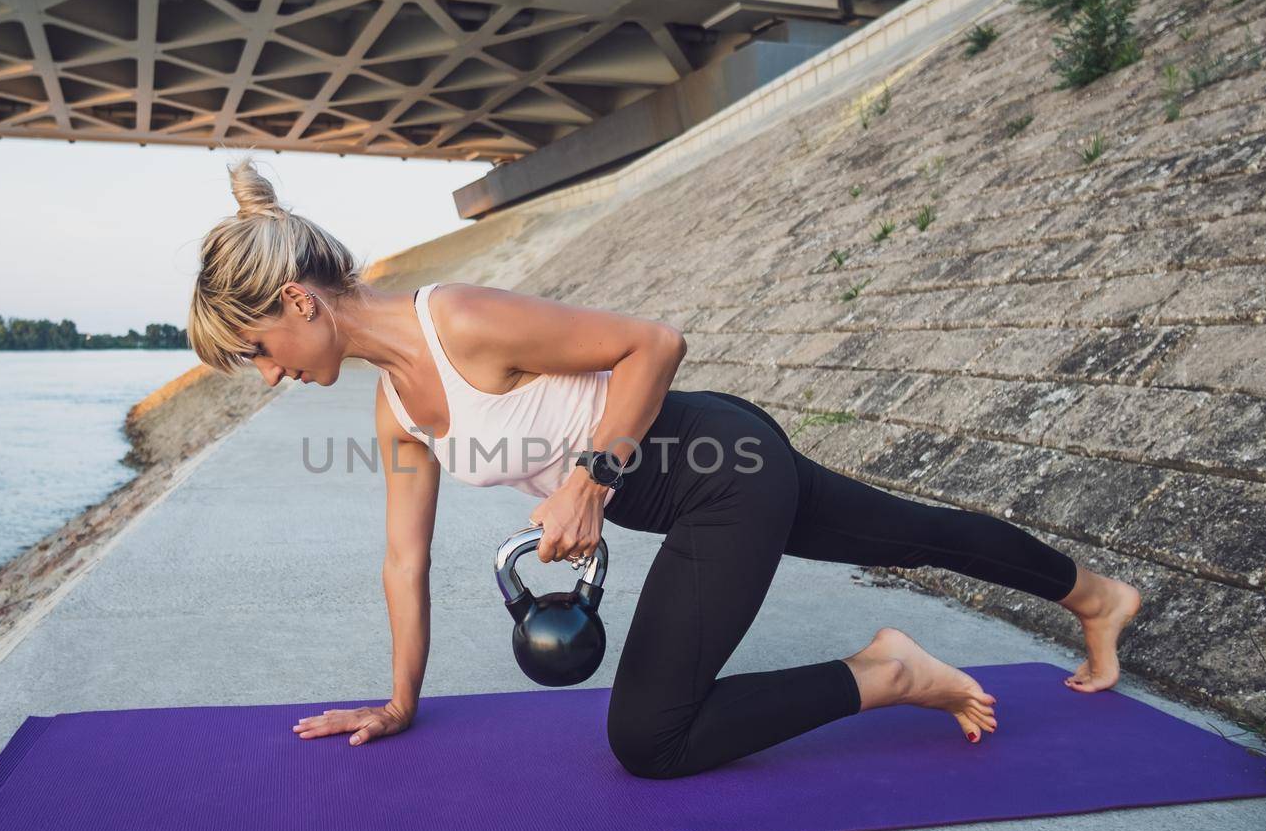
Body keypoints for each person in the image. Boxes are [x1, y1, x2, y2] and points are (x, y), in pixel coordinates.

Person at [187, 158, 1143, 780]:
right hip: (714, 480)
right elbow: (404, 559)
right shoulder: (393, 404)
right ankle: (1097, 598)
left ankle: (886, 672)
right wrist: (401, 703)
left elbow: (654, 342)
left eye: (258, 351)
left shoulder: (460, 320)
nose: (270, 375)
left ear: (294, 302)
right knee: (914, 530)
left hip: (718, 468)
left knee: (650, 738)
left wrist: (590, 477)